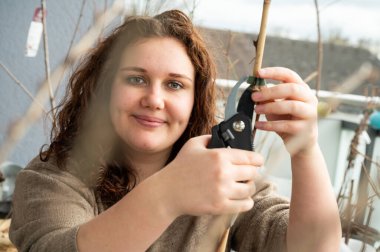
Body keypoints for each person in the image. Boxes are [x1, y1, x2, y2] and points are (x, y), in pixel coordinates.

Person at [9, 9, 341, 252]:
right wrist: (169, 195)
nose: (154, 100)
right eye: (136, 79)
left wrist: (306, 150)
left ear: (195, 101)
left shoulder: (222, 180)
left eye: (174, 84)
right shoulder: (50, 181)